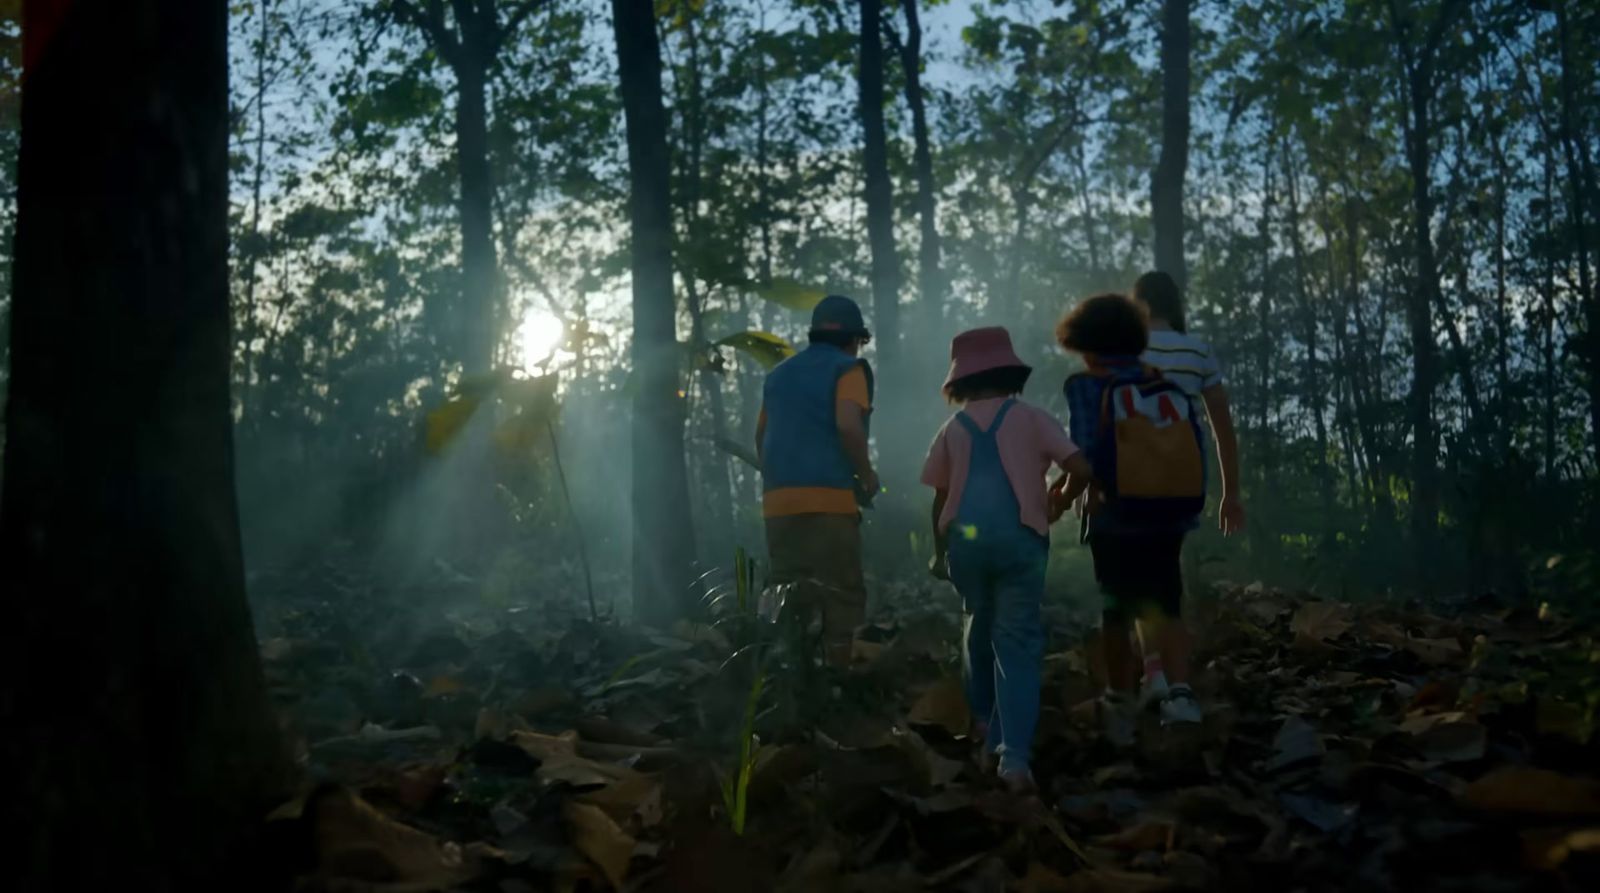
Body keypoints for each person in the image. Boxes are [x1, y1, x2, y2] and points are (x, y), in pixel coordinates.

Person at [921, 327, 1093, 793]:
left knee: (978, 624)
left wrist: (940, 554)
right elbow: (1081, 468)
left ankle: (981, 723)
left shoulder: (952, 430)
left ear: (959, 382)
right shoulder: (1032, 418)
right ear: (1010, 372)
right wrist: (1061, 495)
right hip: (1021, 544)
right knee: (1015, 642)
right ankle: (1013, 758)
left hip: (966, 547)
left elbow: (940, 500)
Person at [1052, 293, 1206, 738]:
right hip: (1170, 513)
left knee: (1115, 606)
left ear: (1084, 341)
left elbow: (1084, 459)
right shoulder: (1163, 384)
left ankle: (1120, 696)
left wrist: (1062, 498)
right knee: (1167, 601)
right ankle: (1180, 695)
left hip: (1115, 515)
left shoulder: (1084, 386)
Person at [1129, 271, 1246, 708]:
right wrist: (1230, 493)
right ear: (1175, 306)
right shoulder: (1198, 351)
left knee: (1141, 575)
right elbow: (1222, 430)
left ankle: (1155, 673)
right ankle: (1179, 690)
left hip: (1130, 482)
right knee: (1167, 573)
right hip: (1181, 481)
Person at [756, 294, 877, 668]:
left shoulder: (776, 377)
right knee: (841, 592)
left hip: (778, 504)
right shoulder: (848, 369)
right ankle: (838, 679)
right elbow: (846, 423)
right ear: (854, 339)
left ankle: (775, 669)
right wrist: (866, 475)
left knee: (784, 590)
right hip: (830, 502)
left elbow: (761, 438)